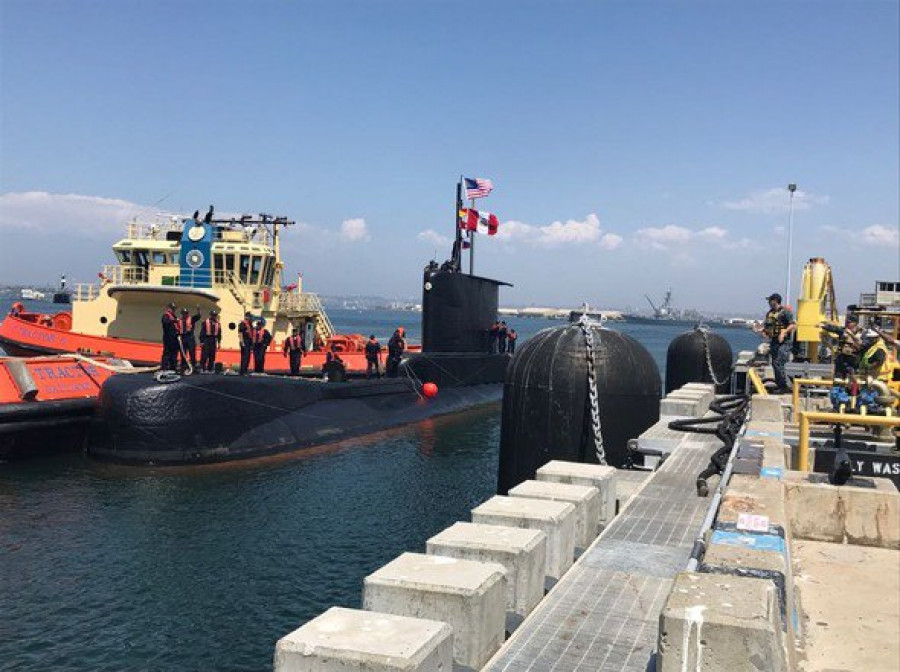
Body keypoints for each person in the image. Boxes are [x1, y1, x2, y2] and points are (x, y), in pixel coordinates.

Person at [754, 293, 796, 393]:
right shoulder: (769, 313)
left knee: (780, 362)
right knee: (774, 363)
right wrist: (760, 330)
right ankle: (780, 385)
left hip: (784, 342)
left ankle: (786, 386)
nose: (769, 303)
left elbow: (793, 325)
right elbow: (767, 329)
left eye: (770, 301)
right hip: (774, 341)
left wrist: (784, 332)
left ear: (775, 301)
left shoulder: (785, 312)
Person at [819, 313, 862, 378]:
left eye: (849, 322)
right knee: (838, 378)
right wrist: (823, 326)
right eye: (846, 322)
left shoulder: (861, 334)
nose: (847, 324)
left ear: (855, 323)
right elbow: (834, 328)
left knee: (852, 378)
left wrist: (851, 335)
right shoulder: (843, 331)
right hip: (841, 359)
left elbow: (861, 344)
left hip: (853, 361)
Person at [177, 307, 201, 373]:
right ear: (182, 314)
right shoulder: (179, 320)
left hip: (190, 337)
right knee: (183, 353)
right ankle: (183, 368)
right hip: (183, 337)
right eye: (184, 313)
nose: (185, 314)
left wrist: (198, 310)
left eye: (186, 313)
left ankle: (193, 367)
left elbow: (198, 316)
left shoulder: (191, 319)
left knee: (192, 353)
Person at [160, 302, 180, 371]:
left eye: (174, 309)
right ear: (169, 308)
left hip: (175, 338)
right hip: (168, 338)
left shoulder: (174, 316)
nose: (173, 310)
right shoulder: (166, 316)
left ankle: (173, 367)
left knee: (174, 353)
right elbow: (165, 322)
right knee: (167, 353)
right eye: (172, 308)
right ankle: (164, 368)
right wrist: (174, 321)